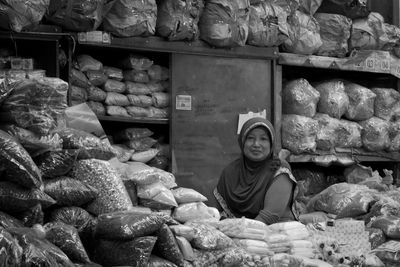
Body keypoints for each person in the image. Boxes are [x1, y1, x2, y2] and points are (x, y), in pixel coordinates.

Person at [214, 117, 298, 225]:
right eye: (250, 138)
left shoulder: (279, 169)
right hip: (237, 234)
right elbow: (220, 213)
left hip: (277, 233)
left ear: (271, 143)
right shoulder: (230, 172)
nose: (256, 144)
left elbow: (269, 216)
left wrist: (240, 234)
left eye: (263, 139)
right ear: (242, 142)